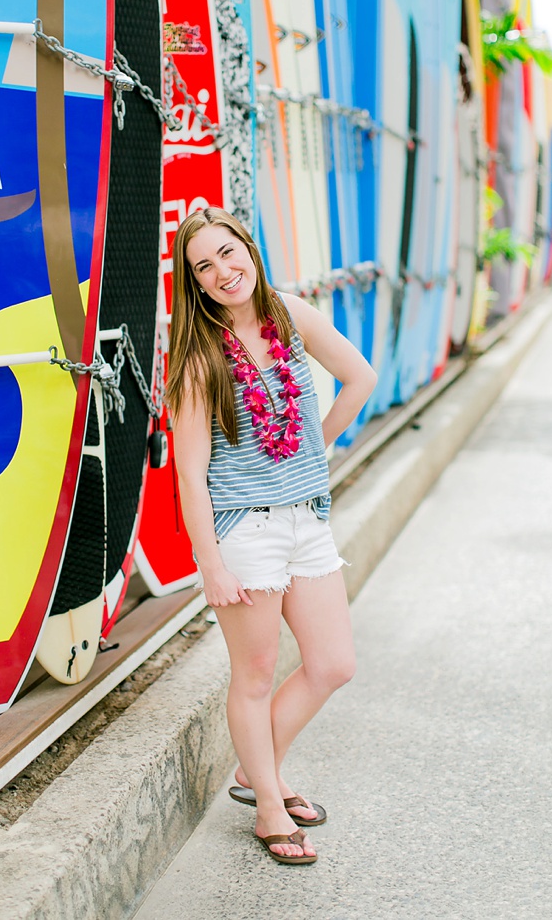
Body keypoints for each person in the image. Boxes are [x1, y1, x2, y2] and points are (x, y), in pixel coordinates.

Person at [167, 207, 376, 865]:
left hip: (306, 519)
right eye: (204, 266)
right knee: (254, 677)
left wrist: (315, 449)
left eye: (229, 253)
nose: (223, 271)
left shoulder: (287, 314)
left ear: (249, 250)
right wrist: (211, 565)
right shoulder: (200, 356)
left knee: (332, 664)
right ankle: (267, 806)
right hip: (244, 530)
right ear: (194, 283)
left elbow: (360, 376)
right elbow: (191, 474)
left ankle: (256, 770)